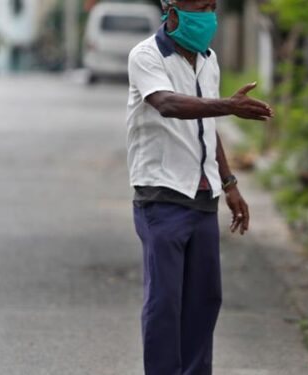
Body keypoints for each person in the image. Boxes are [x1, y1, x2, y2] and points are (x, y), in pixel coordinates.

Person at [125, 0, 273, 374]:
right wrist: (228, 105)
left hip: (203, 197)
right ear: (170, 9)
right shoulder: (146, 56)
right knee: (165, 303)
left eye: (212, 5)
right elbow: (168, 104)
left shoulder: (209, 59)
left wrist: (230, 183)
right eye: (199, 5)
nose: (207, 14)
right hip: (161, 196)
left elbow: (206, 125)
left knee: (205, 301)